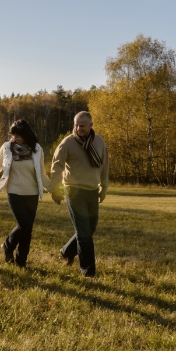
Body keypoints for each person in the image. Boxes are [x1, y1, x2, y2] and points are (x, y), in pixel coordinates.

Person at [0, 119, 52, 267]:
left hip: (32, 194)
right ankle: (7, 245)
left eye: (18, 135)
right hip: (13, 191)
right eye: (13, 134)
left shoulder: (37, 149)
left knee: (28, 229)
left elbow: (42, 175)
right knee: (25, 224)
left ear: (26, 134)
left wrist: (53, 190)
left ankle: (21, 261)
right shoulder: (7, 148)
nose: (14, 138)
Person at [50, 111, 109, 277]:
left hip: (92, 190)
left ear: (91, 125)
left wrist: (104, 188)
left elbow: (104, 167)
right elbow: (56, 167)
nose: (78, 128)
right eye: (75, 125)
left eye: (82, 125)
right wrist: (54, 189)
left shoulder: (99, 142)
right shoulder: (67, 142)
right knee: (84, 233)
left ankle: (67, 251)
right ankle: (88, 271)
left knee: (90, 228)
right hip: (74, 190)